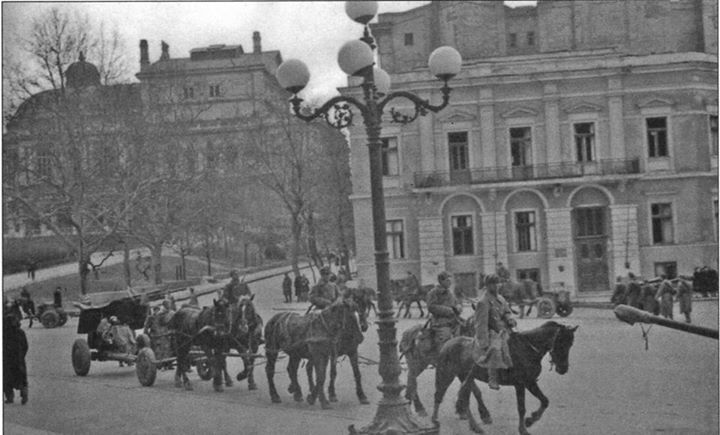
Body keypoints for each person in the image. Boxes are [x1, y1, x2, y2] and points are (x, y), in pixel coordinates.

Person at [473, 273, 516, 390]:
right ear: (487, 286)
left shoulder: (501, 298)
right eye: (494, 284)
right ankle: (493, 379)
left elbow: (507, 311)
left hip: (505, 330)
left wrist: (510, 319)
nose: (497, 286)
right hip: (491, 332)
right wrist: (484, 343)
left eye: (498, 283)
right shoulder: (483, 301)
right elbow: (480, 325)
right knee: (495, 349)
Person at [426, 272, 463, 354]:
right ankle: (443, 360)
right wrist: (448, 310)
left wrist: (459, 307)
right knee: (445, 339)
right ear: (441, 281)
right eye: (447, 280)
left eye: (450, 280)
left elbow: (456, 303)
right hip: (440, 322)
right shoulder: (433, 292)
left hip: (454, 321)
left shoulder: (450, 293)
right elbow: (431, 307)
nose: (450, 282)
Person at [4, 314, 29, 404]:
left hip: (6, 360)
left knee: (6, 380)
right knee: (22, 378)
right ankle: (24, 393)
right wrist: (22, 356)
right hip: (19, 360)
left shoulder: (4, 333)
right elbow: (25, 346)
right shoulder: (20, 332)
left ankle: (10, 397)